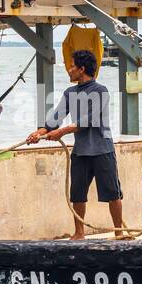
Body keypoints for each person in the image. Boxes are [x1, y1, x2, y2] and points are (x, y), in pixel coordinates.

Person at [26, 49, 126, 239]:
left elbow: (90, 120)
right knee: (77, 194)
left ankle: (119, 232)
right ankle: (79, 233)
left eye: (72, 66)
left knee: (113, 193)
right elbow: (56, 117)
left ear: (81, 69)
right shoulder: (70, 92)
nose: (69, 69)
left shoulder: (100, 91)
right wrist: (39, 132)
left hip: (102, 150)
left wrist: (62, 132)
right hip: (81, 152)